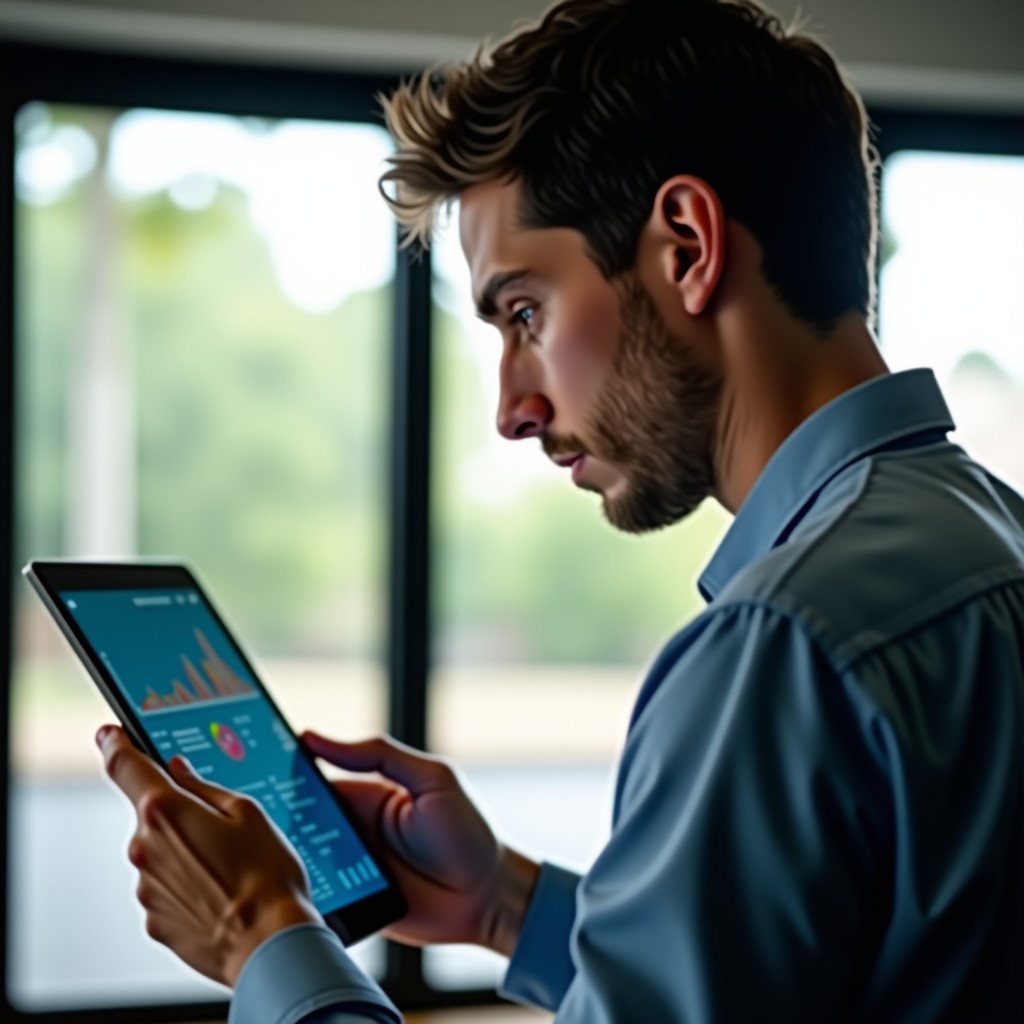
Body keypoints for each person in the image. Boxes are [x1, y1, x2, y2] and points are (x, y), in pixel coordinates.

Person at [97, 0, 1024, 1020]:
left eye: (523, 313)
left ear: (684, 245)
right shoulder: (989, 542)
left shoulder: (780, 649)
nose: (510, 409)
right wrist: (502, 902)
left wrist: (263, 940)